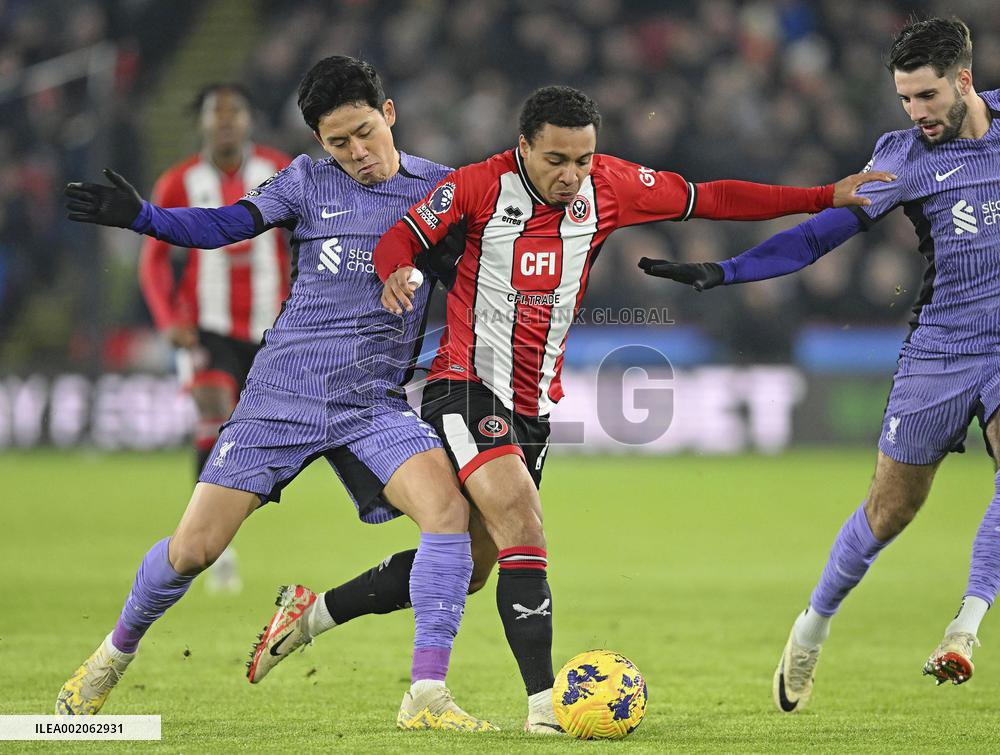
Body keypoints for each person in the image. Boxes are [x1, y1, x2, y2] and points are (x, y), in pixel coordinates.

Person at [254, 84, 891, 733]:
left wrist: (822, 196)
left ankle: (310, 615)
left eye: (583, 158)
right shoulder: (479, 185)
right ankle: (544, 707)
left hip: (532, 408)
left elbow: (712, 195)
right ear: (524, 146)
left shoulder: (611, 185)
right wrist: (396, 271)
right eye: (557, 159)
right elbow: (400, 236)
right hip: (464, 384)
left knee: (472, 569)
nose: (572, 175)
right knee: (525, 521)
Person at [58, 55, 495, 732]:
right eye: (337, 142)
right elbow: (226, 224)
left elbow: (489, 273)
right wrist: (145, 217)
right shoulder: (304, 181)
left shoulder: (443, 190)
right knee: (193, 549)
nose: (355, 153)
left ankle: (426, 694)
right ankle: (109, 659)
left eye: (363, 133)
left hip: (372, 402)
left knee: (450, 518)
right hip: (279, 399)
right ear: (319, 143)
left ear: (390, 114)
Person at [638, 16, 1000, 712]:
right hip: (942, 348)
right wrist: (726, 270)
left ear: (963, 80)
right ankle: (813, 623)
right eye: (905, 100)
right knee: (892, 510)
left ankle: (965, 628)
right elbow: (816, 237)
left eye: (926, 96)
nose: (916, 112)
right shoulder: (901, 160)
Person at [139, 83, 292, 595]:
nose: (226, 122)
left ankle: (220, 524)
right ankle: (211, 547)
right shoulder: (179, 181)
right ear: (201, 122)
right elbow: (154, 259)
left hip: (276, 328)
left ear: (249, 120)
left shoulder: (280, 169)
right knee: (212, 409)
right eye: (216, 114)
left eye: (235, 112)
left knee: (266, 434)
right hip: (207, 325)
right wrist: (166, 319)